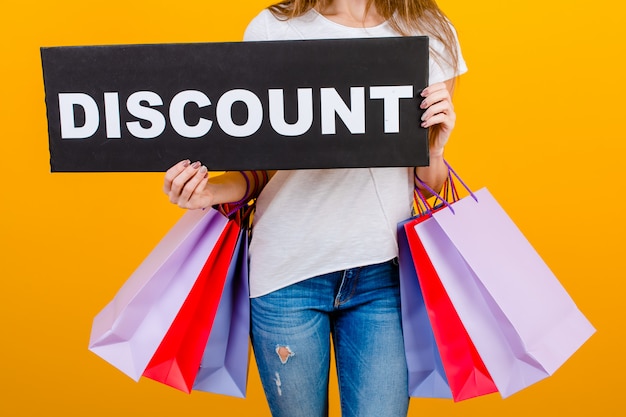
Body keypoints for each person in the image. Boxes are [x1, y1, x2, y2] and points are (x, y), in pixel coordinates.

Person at [163, 1, 467, 415]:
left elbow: (428, 184)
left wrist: (435, 149)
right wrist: (206, 192)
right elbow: (260, 171)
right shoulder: (272, 29)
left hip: (384, 273)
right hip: (288, 274)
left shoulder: (429, 31)